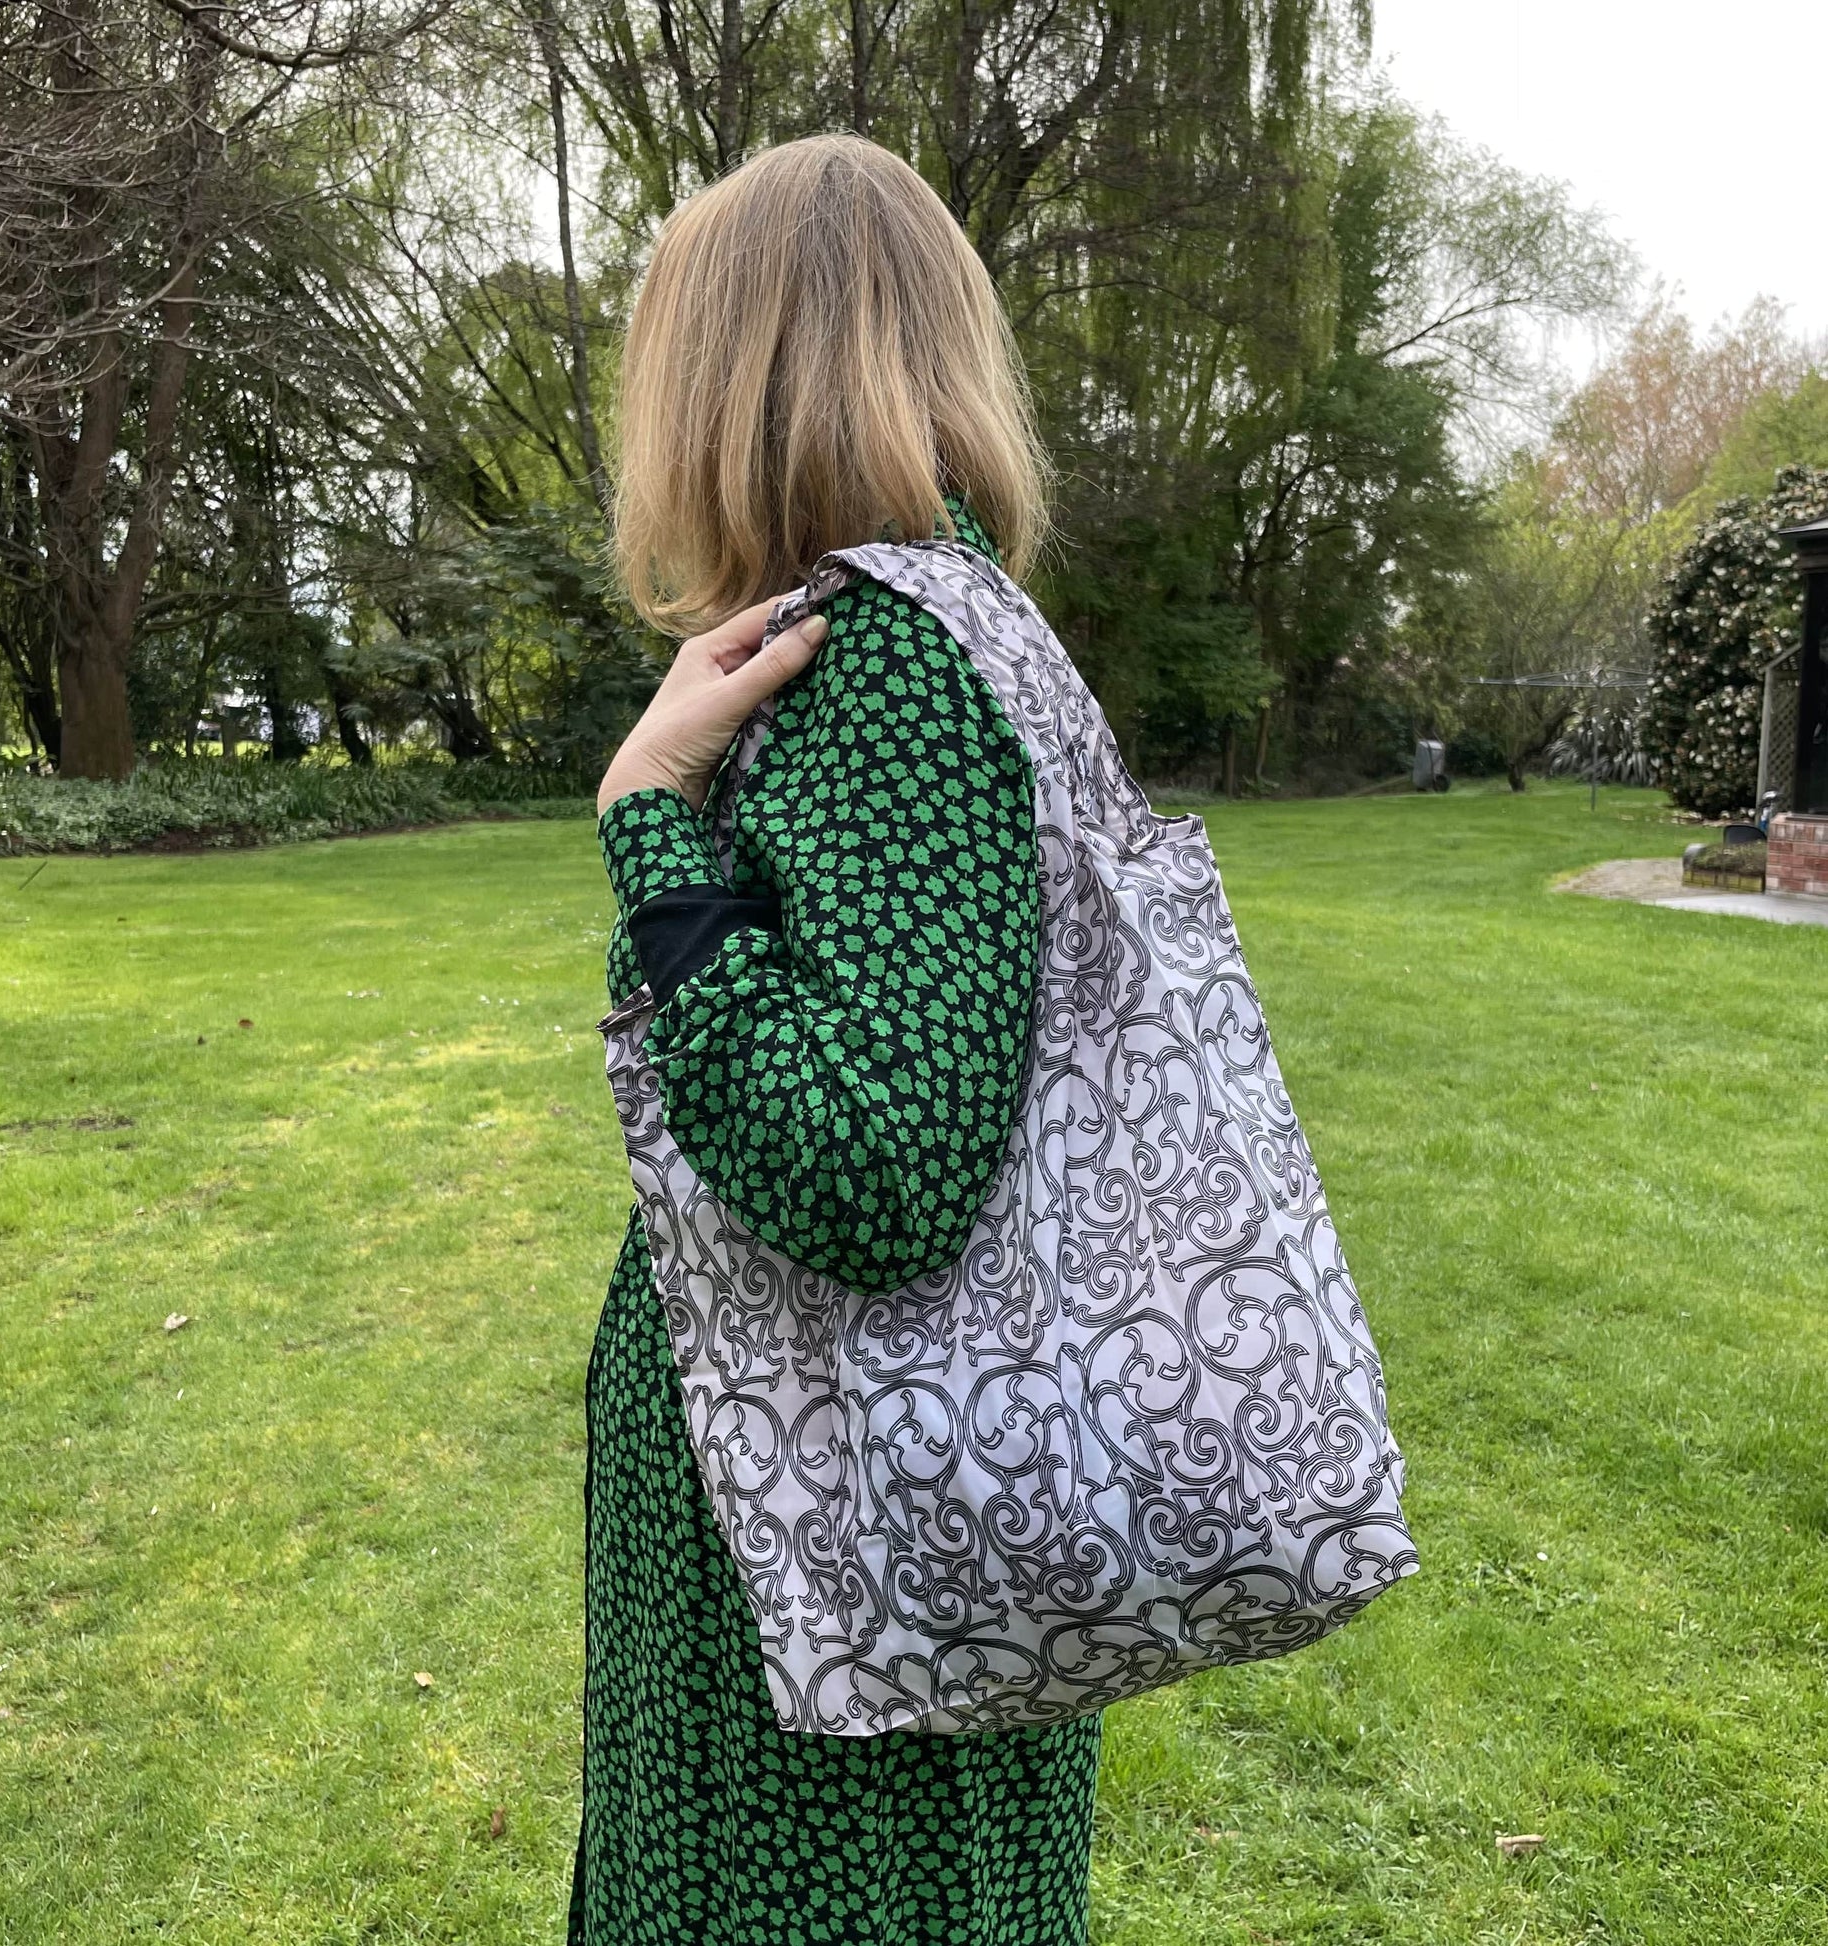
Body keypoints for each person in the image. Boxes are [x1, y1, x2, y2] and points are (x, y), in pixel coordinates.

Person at [576, 134, 1100, 1946]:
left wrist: (649, 809)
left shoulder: (890, 669)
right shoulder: (881, 643)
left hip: (827, 1543)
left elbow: (873, 1168)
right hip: (845, 1509)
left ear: (730, 379)